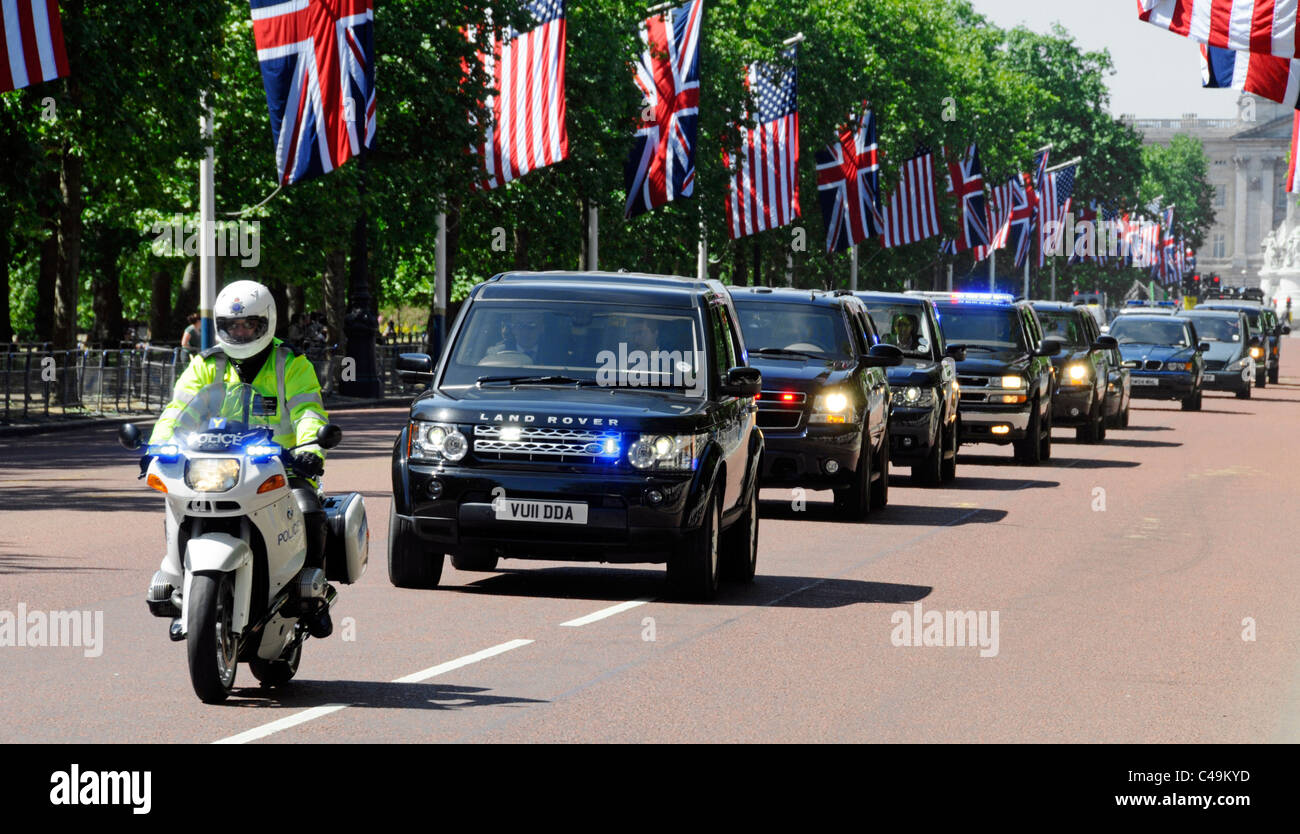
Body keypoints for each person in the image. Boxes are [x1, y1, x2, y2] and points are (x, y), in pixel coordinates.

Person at [146, 280, 335, 638]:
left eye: (249, 324)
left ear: (267, 322)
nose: (241, 331)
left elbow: (308, 410)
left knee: (308, 508)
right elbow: (178, 408)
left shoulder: (291, 364)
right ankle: (185, 594)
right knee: (180, 504)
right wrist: (156, 446)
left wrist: (310, 448)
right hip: (217, 463)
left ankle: (312, 594)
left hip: (281, 465)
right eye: (233, 325)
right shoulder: (207, 364)